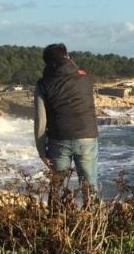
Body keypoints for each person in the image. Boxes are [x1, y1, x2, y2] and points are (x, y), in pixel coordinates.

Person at [34, 43, 99, 190]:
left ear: (48, 64)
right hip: (86, 136)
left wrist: (41, 151)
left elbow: (40, 120)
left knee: (58, 187)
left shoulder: (43, 84)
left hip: (59, 139)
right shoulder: (86, 78)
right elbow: (74, 71)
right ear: (68, 57)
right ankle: (92, 212)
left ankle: (57, 213)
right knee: (90, 186)